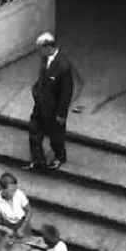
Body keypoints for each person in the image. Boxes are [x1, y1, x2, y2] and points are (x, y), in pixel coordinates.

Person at [25, 32, 74, 171]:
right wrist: (36, 91)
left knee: (56, 136)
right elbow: (42, 78)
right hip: (41, 104)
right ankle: (38, 160)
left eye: (40, 48)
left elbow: (66, 92)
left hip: (54, 109)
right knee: (34, 132)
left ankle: (59, 157)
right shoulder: (44, 59)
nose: (38, 51)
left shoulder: (63, 66)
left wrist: (61, 113)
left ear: (48, 47)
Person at [0, 173, 33, 238]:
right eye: (11, 191)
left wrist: (23, 227)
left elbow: (29, 211)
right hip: (8, 226)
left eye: (15, 190)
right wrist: (4, 229)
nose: (14, 193)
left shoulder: (19, 194)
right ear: (3, 189)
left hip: (23, 223)